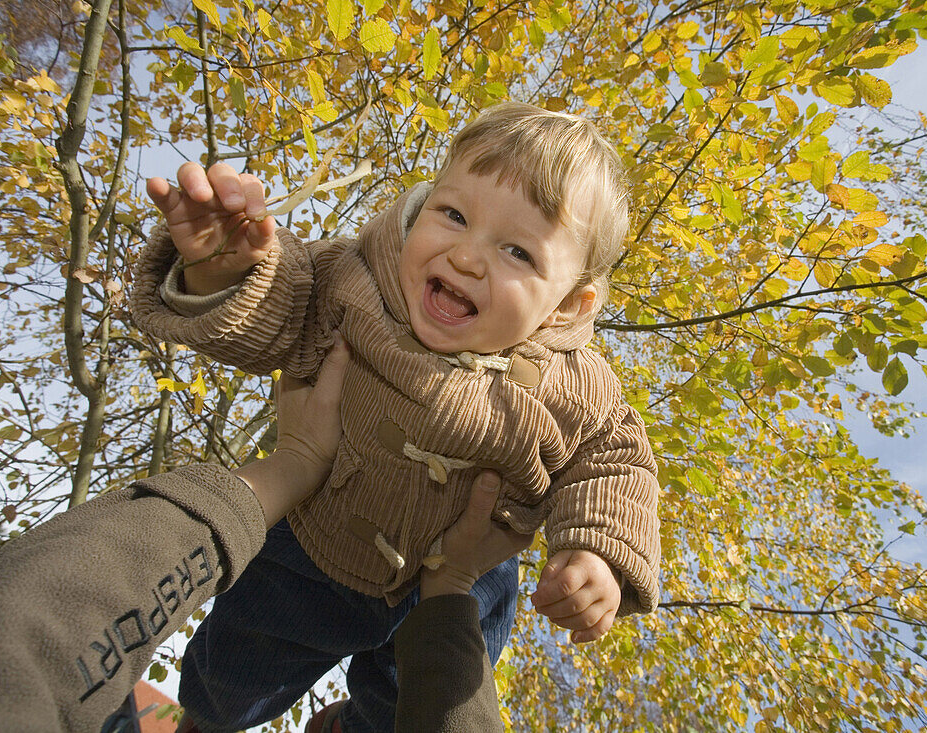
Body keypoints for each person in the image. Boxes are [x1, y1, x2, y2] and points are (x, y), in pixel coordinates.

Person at [130, 101, 661, 732]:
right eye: (454, 214)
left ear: (567, 304)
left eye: (518, 251)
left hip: (463, 583)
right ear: (422, 204)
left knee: (415, 706)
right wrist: (221, 268)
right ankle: (203, 722)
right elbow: (278, 305)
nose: (466, 256)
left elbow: (616, 462)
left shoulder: (576, 387)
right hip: (313, 545)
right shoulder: (351, 280)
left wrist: (596, 556)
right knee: (237, 668)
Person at [0, 338, 528, 732]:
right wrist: (606, 556)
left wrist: (289, 467)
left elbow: (13, 652)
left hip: (325, 530)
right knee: (256, 669)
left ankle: (209, 718)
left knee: (233, 676)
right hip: (385, 541)